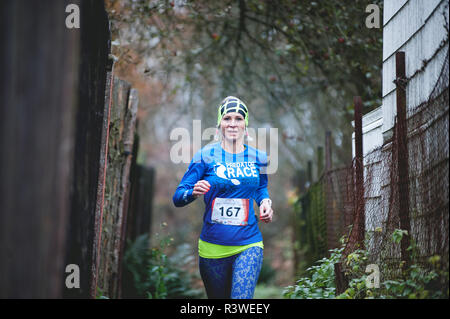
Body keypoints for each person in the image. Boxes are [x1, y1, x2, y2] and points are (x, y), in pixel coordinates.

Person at [172, 96, 274, 299]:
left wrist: (265, 202)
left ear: (246, 125)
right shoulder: (204, 156)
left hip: (249, 243)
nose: (233, 123)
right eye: (227, 118)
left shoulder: (259, 158)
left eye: (238, 118)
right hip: (212, 247)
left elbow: (261, 187)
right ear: (219, 124)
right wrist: (192, 192)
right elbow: (178, 197)